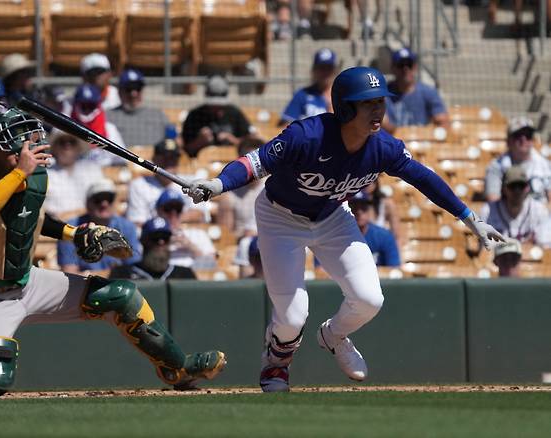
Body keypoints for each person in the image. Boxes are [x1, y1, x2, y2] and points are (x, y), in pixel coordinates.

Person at [183, 66, 504, 392]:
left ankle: (333, 335)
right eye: (369, 103)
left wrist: (468, 217)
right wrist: (218, 183)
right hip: (280, 219)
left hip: (334, 217)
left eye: (381, 102)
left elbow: (423, 178)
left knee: (369, 299)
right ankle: (277, 364)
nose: (379, 110)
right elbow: (253, 163)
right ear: (346, 106)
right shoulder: (306, 135)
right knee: (293, 317)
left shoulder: (383, 147)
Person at [0, 103, 225, 398]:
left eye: (27, 141)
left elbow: (32, 219)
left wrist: (76, 233)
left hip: (28, 282)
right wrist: (20, 173)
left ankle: (177, 367)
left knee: (120, 295)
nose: (27, 149)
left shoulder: (34, 178)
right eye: (16, 143)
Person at [58, 179, 141, 275]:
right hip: (85, 287)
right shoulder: (73, 228)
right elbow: (69, 273)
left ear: (115, 202)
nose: (104, 204)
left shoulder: (127, 227)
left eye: (109, 198)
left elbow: (133, 269)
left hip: (118, 285)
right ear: (87, 203)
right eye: (98, 199)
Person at [126, 138, 207, 226]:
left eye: (173, 157)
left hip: (185, 232)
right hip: (154, 236)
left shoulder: (191, 183)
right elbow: (137, 222)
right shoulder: (138, 185)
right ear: (154, 159)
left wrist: (171, 221)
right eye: (164, 157)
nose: (169, 161)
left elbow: (199, 214)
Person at [484, 116, 551, 203]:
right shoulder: (497, 166)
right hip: (509, 214)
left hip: (541, 213)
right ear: (508, 141)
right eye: (518, 135)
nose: (523, 139)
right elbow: (493, 199)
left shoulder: (545, 165)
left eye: (528, 135)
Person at [182, 75, 252, 158]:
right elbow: (185, 151)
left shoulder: (234, 113)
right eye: (214, 105)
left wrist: (233, 140)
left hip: (232, 161)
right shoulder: (195, 116)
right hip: (202, 165)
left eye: (221, 106)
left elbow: (251, 144)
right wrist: (200, 141)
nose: (217, 109)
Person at [383, 48, 449, 131]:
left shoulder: (428, 92)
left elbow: (442, 121)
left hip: (421, 141)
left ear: (415, 67)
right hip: (392, 141)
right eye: (401, 65)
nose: (405, 69)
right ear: (392, 68)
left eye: (409, 64)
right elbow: (382, 124)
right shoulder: (383, 94)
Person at [110, 217, 197, 280]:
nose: (161, 242)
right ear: (143, 241)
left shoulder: (185, 275)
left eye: (165, 237)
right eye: (155, 237)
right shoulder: (123, 274)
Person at [44, 128, 105, 218]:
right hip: (55, 226)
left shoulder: (92, 169)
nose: (67, 146)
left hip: (89, 223)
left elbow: (102, 201)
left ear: (79, 147)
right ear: (55, 147)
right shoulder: (45, 174)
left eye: (72, 142)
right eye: (62, 142)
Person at [481, 165, 549, 244]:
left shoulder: (539, 210)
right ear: (504, 189)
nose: (517, 191)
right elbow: (485, 248)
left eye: (521, 186)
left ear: (527, 188)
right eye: (512, 186)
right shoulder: (488, 211)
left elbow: (545, 247)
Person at [108, 68, 171, 147]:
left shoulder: (158, 115)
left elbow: (173, 140)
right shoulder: (108, 117)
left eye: (137, 88)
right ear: (120, 91)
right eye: (128, 88)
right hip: (120, 158)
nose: (133, 94)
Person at [216, 137, 265, 239]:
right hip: (244, 248)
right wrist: (244, 235)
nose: (254, 165)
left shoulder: (275, 186)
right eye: (249, 161)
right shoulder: (229, 196)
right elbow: (225, 239)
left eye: (257, 160)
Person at [155, 190, 216, 269]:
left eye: (178, 209)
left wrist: (191, 246)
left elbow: (212, 265)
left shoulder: (199, 234)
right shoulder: (151, 235)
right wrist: (165, 245)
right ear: (158, 211)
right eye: (168, 209)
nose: (173, 214)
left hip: (193, 278)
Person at [71, 83, 126, 166]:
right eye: (83, 106)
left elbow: (121, 159)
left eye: (91, 106)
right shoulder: (65, 128)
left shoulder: (109, 129)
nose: (87, 110)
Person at [278, 49, 337, 127]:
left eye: (329, 68)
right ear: (314, 70)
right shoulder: (302, 94)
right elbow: (286, 124)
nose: (325, 73)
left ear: (335, 70)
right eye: (322, 68)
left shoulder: (341, 96)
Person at [348, 192, 400, 266]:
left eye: (363, 207)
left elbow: (394, 270)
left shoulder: (384, 236)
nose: (359, 212)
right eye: (354, 207)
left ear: (369, 210)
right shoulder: (338, 237)